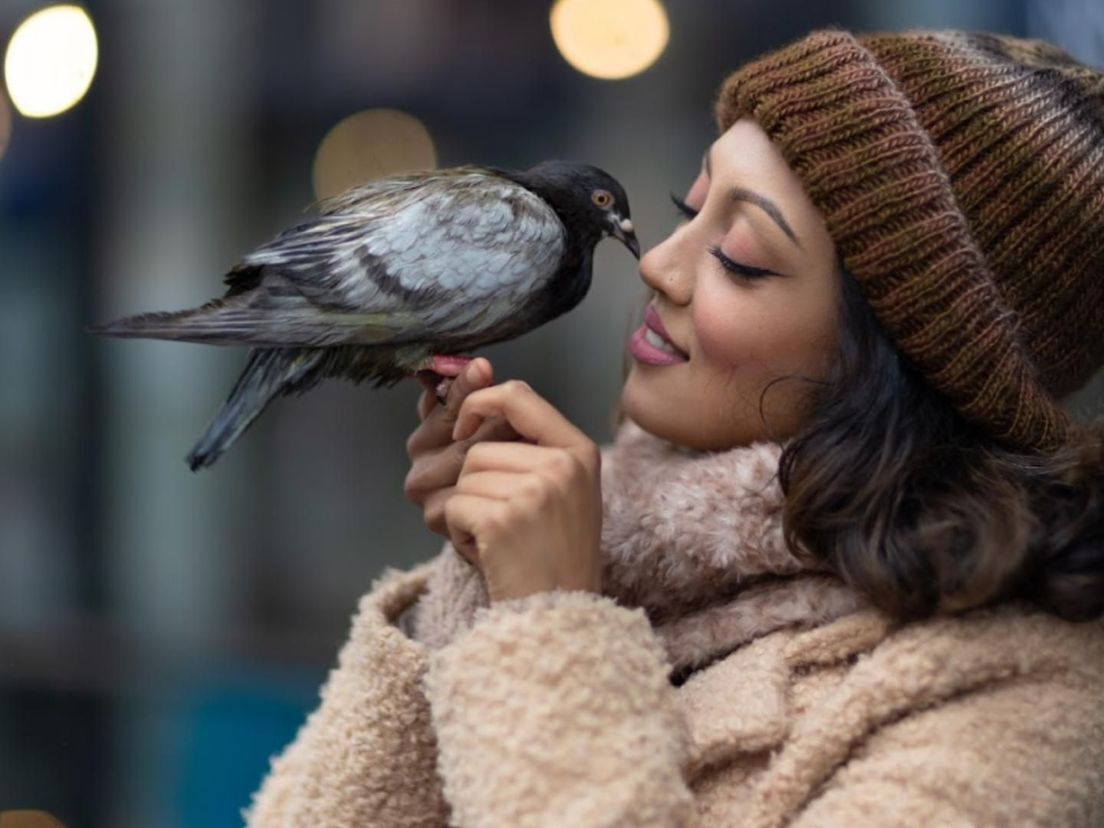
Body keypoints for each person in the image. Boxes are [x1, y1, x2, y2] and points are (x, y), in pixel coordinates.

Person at [243, 28, 1104, 827]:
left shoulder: (1015, 709)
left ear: (905, 357)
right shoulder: (605, 525)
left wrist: (550, 624)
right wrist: (479, 589)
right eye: (687, 209)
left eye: (740, 257)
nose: (658, 261)